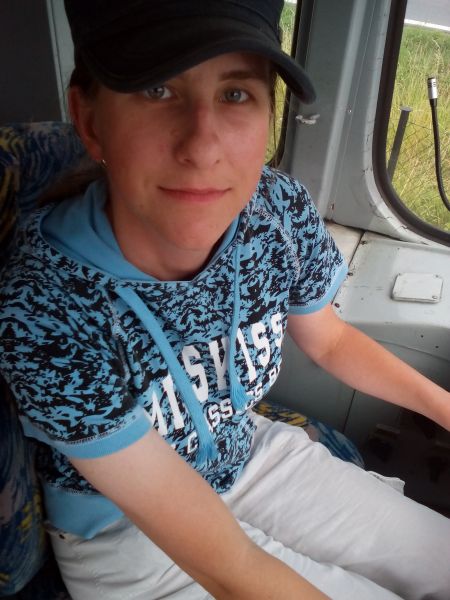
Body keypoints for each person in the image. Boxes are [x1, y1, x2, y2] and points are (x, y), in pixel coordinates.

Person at [0, 1, 449, 598]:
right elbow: (231, 568)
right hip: (123, 528)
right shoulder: (43, 307)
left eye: (235, 94)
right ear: (89, 119)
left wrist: (445, 407)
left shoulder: (276, 212)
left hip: (244, 453)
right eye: (157, 90)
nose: (202, 146)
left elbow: (331, 340)